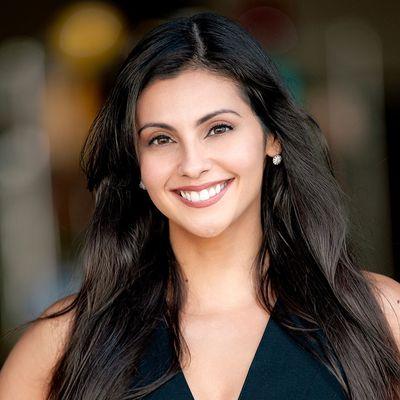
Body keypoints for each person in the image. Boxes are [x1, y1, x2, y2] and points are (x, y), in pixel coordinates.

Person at [0, 11, 399, 400]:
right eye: (161, 138)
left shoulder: (380, 317)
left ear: (271, 137)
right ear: (136, 161)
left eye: (218, 129)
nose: (192, 164)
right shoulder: (63, 345)